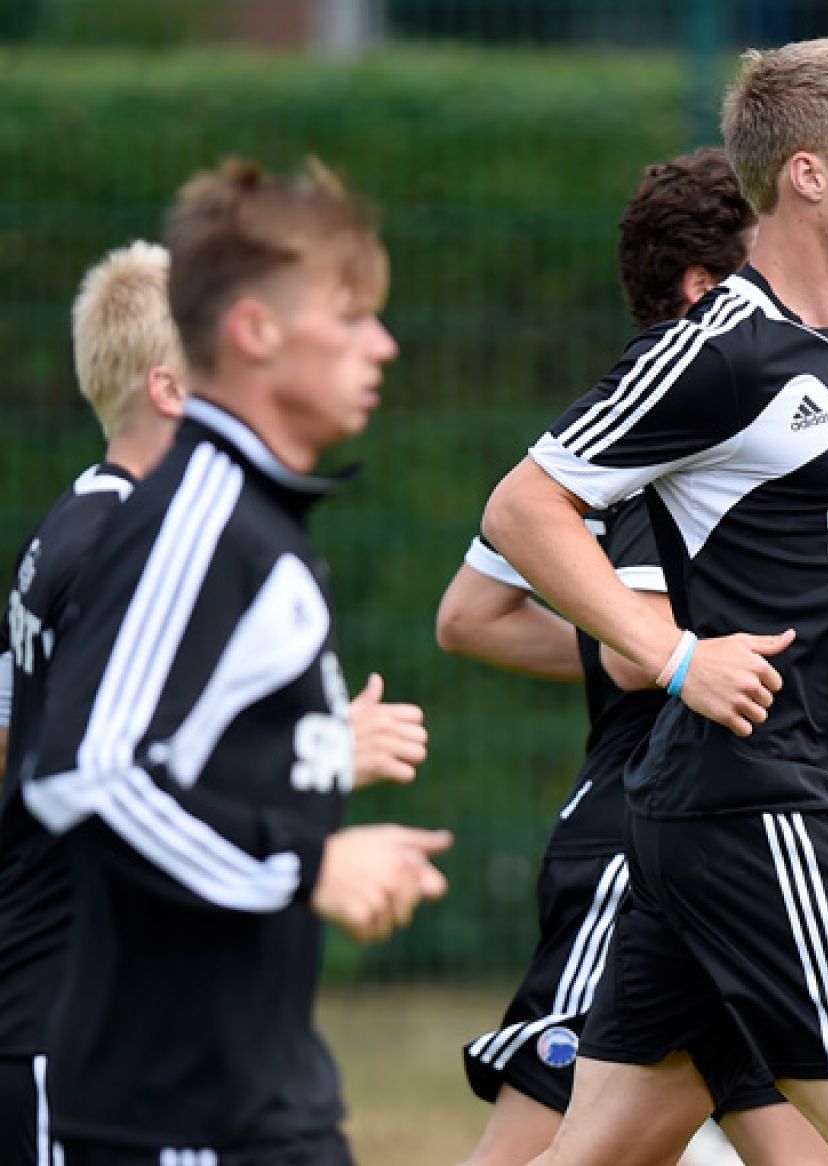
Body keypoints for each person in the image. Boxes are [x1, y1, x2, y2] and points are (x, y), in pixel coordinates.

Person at [480, 40, 828, 1166]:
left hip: (745, 803)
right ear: (808, 175)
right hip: (759, 808)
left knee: (600, 1147)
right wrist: (671, 655)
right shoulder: (721, 343)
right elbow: (524, 509)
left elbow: (796, 540)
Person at [18, 160, 450, 1164]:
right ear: (256, 330)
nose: (382, 344)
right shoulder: (198, 520)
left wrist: (322, 769)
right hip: (173, 1118)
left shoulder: (252, 518)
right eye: (350, 319)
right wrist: (308, 864)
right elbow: (86, 774)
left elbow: (192, 761)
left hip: (257, 1094)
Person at [437, 150, 828, 1166]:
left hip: (727, 832)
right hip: (638, 839)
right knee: (541, 1135)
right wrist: (661, 654)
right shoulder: (677, 440)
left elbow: (472, 615)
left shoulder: (635, 419)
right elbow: (573, 642)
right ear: (705, 288)